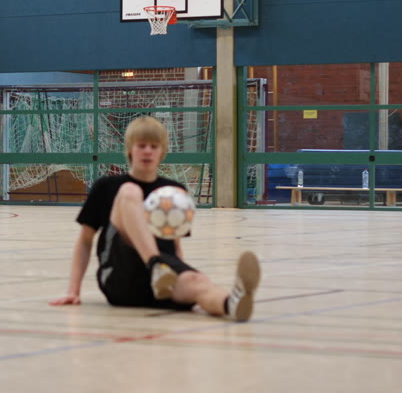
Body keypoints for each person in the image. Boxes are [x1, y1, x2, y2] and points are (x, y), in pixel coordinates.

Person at [49, 116, 261, 322]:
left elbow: (174, 244)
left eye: (154, 146)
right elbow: (85, 241)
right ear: (130, 150)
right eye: (141, 145)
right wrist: (73, 291)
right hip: (120, 277)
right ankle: (155, 264)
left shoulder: (174, 191)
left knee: (197, 281)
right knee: (130, 191)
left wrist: (182, 272)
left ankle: (232, 303)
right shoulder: (107, 187)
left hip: (161, 282)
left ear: (162, 152)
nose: (147, 151)